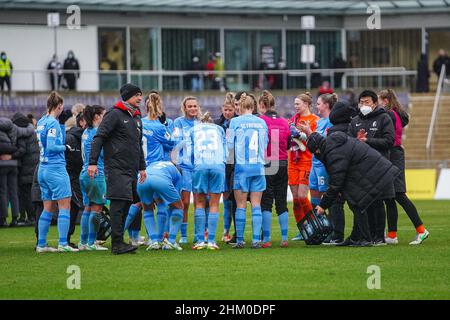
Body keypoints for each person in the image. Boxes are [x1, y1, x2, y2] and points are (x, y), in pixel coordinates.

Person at [306, 131, 400, 247]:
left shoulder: (333, 152)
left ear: (317, 148)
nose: (317, 154)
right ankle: (356, 237)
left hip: (374, 172)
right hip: (372, 169)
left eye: (315, 152)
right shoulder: (333, 145)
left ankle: (365, 238)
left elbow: (336, 182)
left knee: (356, 203)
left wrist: (322, 205)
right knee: (355, 202)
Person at [89, 83, 147, 255]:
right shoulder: (114, 114)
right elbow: (99, 137)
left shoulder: (136, 117)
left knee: (128, 204)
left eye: (140, 95)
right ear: (128, 96)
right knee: (118, 204)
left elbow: (138, 144)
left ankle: (120, 241)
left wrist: (142, 167)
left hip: (131, 170)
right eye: (137, 95)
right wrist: (92, 162)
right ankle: (117, 244)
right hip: (115, 167)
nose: (140, 98)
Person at [378, 89, 429, 245]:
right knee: (390, 197)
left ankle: (421, 230)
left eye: (379, 100)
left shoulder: (390, 114)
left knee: (399, 194)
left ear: (385, 101)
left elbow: (390, 138)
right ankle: (392, 235)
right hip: (394, 154)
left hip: (393, 154)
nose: (378, 104)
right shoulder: (397, 113)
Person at [124, 91, 175, 249]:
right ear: (159, 107)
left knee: (143, 204)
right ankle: (159, 238)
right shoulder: (159, 127)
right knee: (160, 203)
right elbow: (171, 144)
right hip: (155, 168)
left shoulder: (137, 123)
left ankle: (150, 239)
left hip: (138, 168)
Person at [348, 90, 395, 245]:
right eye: (361, 102)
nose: (363, 105)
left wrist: (368, 141)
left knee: (378, 202)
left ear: (375, 103)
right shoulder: (354, 121)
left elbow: (389, 141)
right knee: (363, 203)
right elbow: (349, 143)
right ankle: (365, 236)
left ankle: (379, 236)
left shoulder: (384, 118)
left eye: (367, 102)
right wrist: (356, 142)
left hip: (379, 166)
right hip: (360, 168)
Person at [36, 92, 77, 253]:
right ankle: (63, 243)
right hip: (56, 169)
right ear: (58, 106)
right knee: (65, 205)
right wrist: (65, 148)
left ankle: (41, 244)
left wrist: (61, 124)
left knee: (48, 207)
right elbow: (53, 146)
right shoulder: (52, 123)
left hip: (43, 169)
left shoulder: (41, 121)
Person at [227, 93, 268, 248]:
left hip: (241, 168)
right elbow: (265, 144)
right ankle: (256, 239)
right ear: (253, 106)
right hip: (258, 167)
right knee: (256, 204)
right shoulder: (262, 122)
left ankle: (240, 240)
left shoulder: (234, 122)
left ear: (241, 106)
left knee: (241, 205)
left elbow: (229, 146)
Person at [258, 90, 291, 248]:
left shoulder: (261, 121)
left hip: (268, 163)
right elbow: (289, 143)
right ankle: (284, 238)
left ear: (262, 105)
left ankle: (267, 239)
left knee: (266, 202)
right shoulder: (285, 122)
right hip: (283, 163)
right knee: (281, 201)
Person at [189, 112, 226, 250]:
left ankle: (199, 241)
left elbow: (189, 152)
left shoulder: (193, 129)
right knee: (214, 203)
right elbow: (226, 151)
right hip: (217, 165)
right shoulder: (219, 129)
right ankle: (211, 241)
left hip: (201, 165)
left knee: (199, 203)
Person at [287, 93, 319, 240]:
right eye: (295, 104)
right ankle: (303, 229)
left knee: (302, 196)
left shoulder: (314, 120)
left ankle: (314, 224)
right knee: (295, 198)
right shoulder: (293, 120)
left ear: (306, 104)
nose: (295, 107)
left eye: (298, 104)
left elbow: (315, 142)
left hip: (306, 161)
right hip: (292, 161)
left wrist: (302, 135)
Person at [78, 105, 108, 251]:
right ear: (97, 116)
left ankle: (83, 242)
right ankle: (91, 243)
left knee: (88, 208)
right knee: (97, 208)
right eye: (104, 115)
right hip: (96, 173)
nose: (106, 118)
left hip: (84, 173)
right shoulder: (97, 132)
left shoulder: (86, 132)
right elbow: (102, 155)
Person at [172, 96, 202, 244]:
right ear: (184, 108)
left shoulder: (202, 123)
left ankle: (198, 235)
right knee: (184, 202)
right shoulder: (178, 122)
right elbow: (174, 143)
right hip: (184, 168)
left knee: (199, 202)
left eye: (195, 106)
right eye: (189, 106)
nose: (193, 109)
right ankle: (183, 235)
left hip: (198, 167)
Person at [137, 161, 184, 251]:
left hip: (142, 178)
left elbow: (160, 201)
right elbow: (173, 206)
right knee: (179, 207)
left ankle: (154, 241)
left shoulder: (156, 164)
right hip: (160, 180)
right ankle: (171, 242)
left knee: (147, 209)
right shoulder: (178, 174)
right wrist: (168, 231)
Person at [0, 116, 34, 227]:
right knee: (14, 192)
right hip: (14, 164)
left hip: (2, 164)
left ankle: (3, 219)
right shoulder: (14, 129)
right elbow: (27, 132)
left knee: (3, 192)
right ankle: (15, 218)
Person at [215, 92, 237, 243]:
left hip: (235, 165)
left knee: (234, 200)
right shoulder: (217, 124)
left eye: (230, 110)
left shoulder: (238, 123)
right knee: (226, 200)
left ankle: (235, 231)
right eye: (225, 110)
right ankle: (225, 231)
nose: (227, 112)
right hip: (222, 165)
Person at [12, 112, 39, 226]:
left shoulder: (22, 133)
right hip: (34, 165)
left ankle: (31, 217)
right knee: (32, 193)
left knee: (26, 194)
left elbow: (22, 150)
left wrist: (11, 155)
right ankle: (33, 217)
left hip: (26, 167)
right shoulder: (31, 130)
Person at [65, 111, 86, 247]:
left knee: (75, 207)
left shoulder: (85, 136)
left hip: (77, 176)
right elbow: (72, 159)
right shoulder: (71, 138)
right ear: (82, 122)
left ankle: (67, 238)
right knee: (76, 206)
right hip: (71, 176)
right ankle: (65, 239)